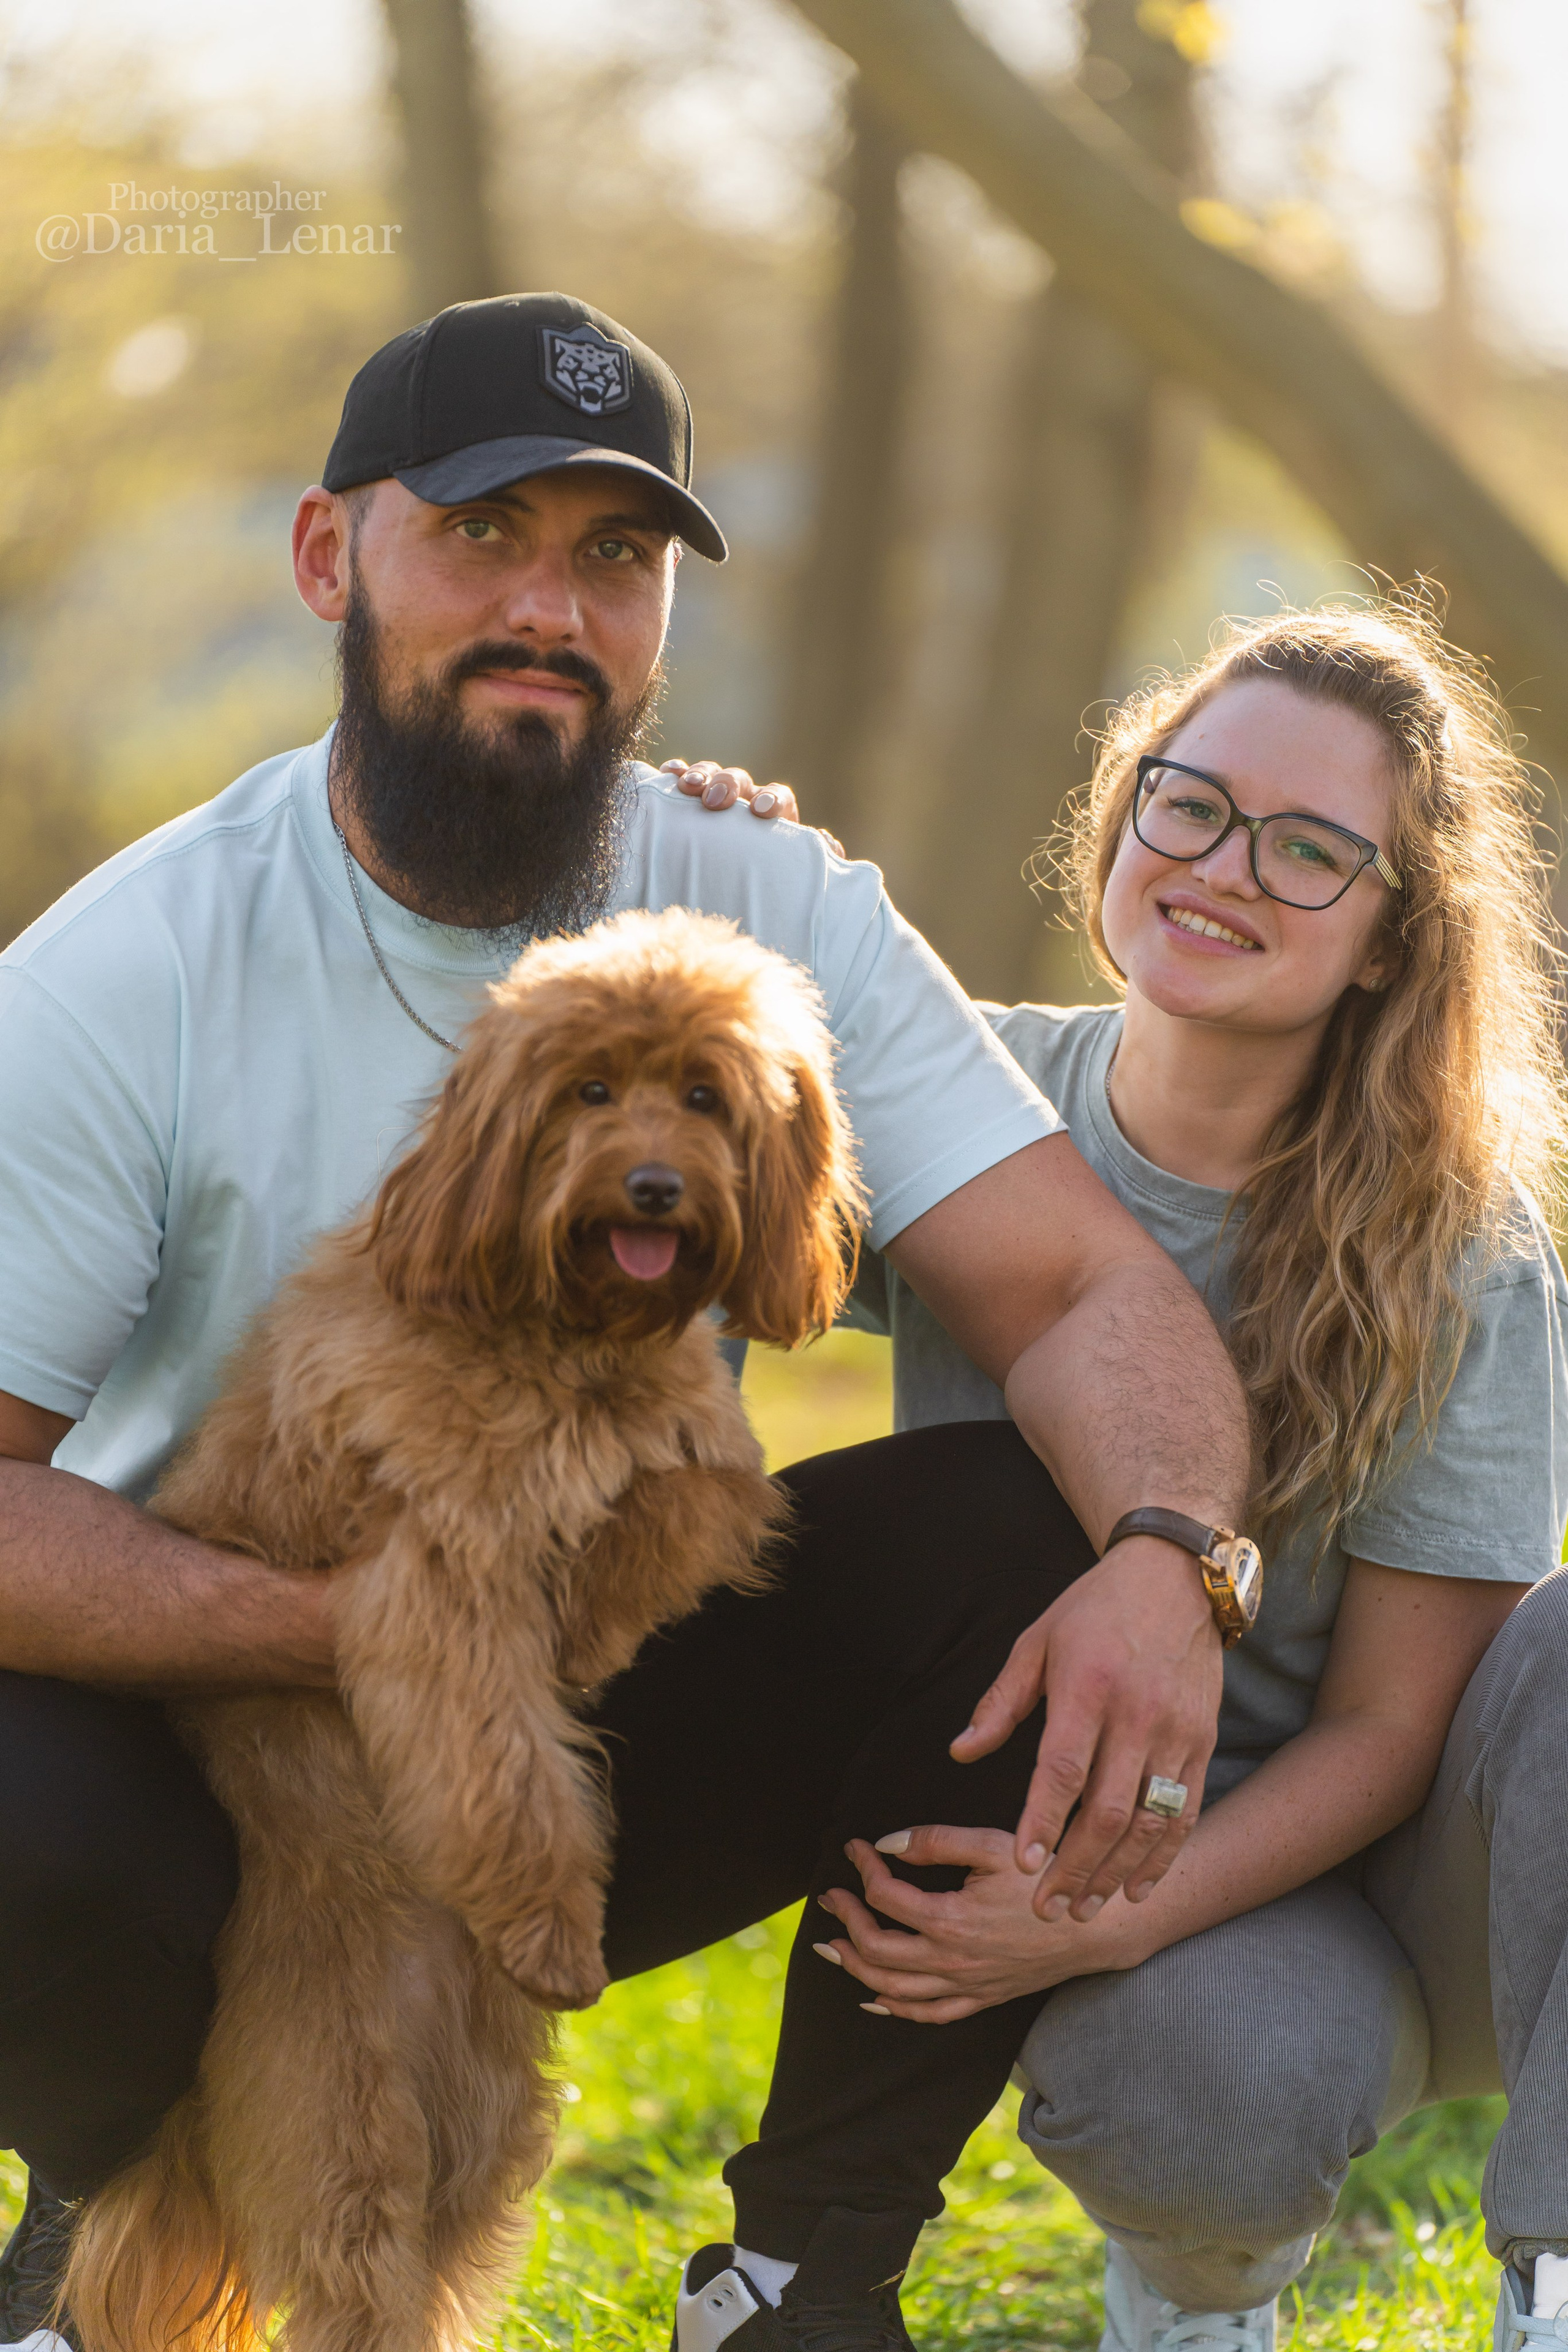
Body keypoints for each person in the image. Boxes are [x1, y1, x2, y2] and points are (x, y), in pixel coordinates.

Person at [0, 292, 1256, 2352]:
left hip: (588, 1708)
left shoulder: (769, 906)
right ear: (333, 559)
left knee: (1023, 1535)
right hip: (202, 1765)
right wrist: (379, 1632)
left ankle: (799, 2280)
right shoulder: (128, 967)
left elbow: (1084, 1290)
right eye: (483, 536)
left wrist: (1172, 1562)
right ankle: (109, 2219)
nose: (550, 609)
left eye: (613, 558)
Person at [811, 603, 1568, 2352]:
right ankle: (1208, 2280)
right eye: (1194, 803)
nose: (1229, 868)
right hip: (1119, 1880)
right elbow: (681, 1189)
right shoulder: (955, 1109)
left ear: (1395, 931)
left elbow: (1392, 1737)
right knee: (1198, 2104)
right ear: (1123, 814)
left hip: (1416, 1874)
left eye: (1313, 849)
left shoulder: (1463, 1250)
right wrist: (708, 847)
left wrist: (1077, 1936)